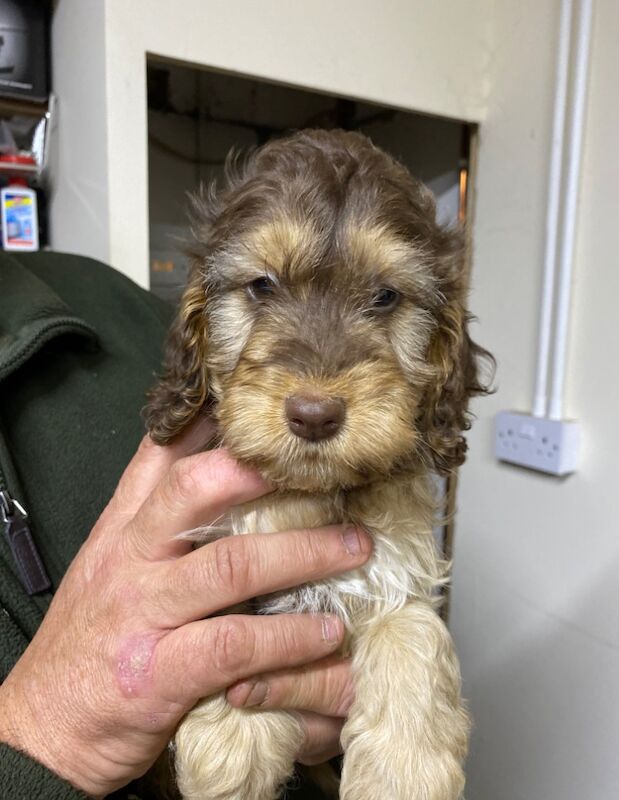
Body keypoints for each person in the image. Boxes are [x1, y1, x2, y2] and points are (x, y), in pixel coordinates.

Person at [0, 250, 365, 799]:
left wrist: (362, 661)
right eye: (262, 288)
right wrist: (48, 733)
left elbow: (357, 567)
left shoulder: (114, 298)